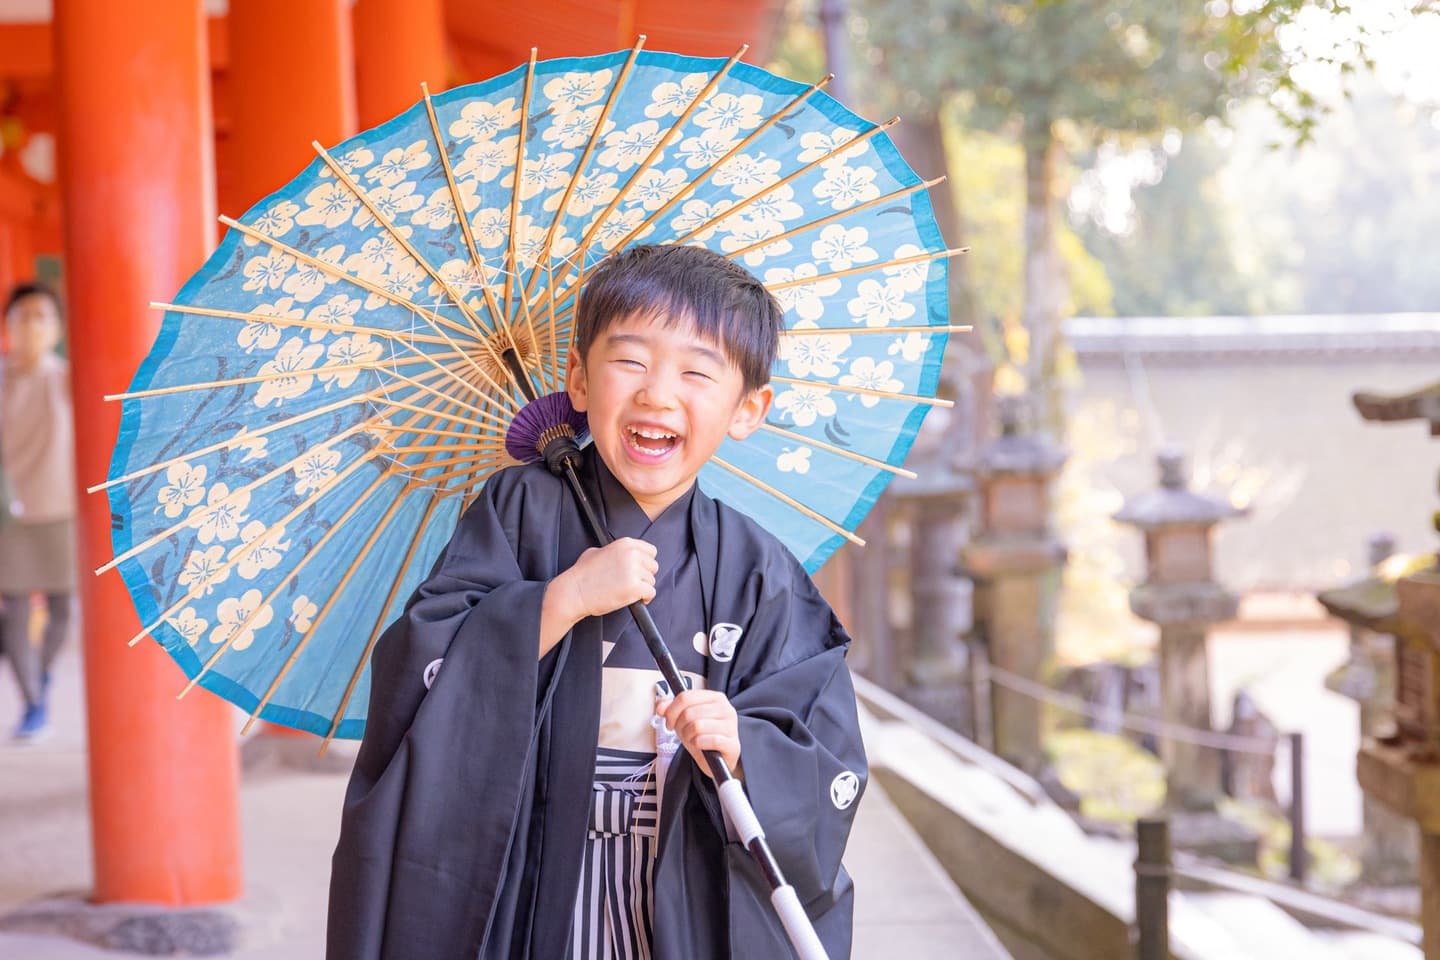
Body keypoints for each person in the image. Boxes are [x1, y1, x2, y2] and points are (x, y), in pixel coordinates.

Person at [327, 244, 867, 959]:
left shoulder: (757, 567)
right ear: (578, 379)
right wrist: (562, 599)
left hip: (678, 875)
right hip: (532, 864)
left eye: (697, 372)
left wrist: (741, 745)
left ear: (748, 409)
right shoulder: (520, 507)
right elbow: (420, 663)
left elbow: (823, 746)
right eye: (630, 360)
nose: (657, 395)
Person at [0, 282, 76, 742]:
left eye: (41, 316)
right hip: (9, 514)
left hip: (61, 507)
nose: (31, 324)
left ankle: (42, 676)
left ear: (58, 328)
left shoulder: (67, 377)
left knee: (62, 606)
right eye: (22, 315)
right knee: (14, 612)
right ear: (8, 325)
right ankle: (32, 702)